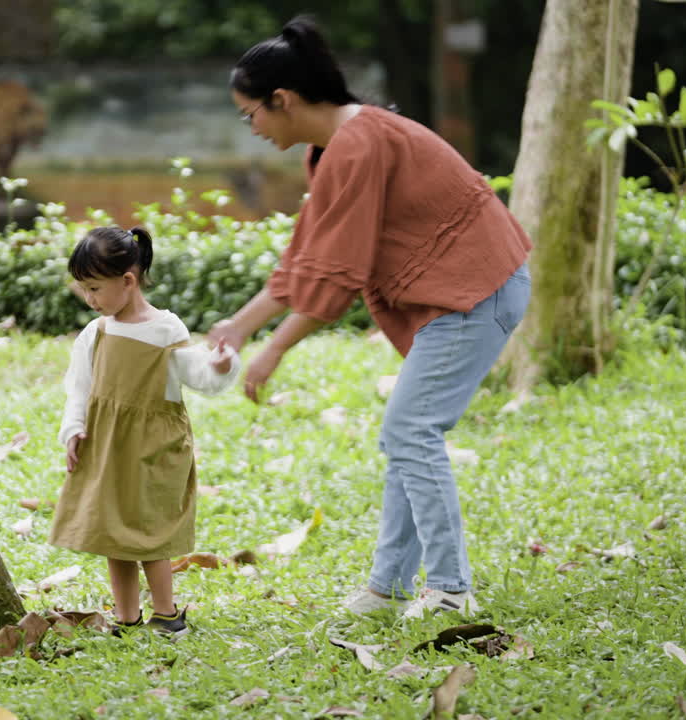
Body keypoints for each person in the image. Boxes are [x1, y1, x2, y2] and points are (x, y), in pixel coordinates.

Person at [209, 16, 532, 619]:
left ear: (282, 100)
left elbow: (338, 271)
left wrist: (274, 348)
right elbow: (309, 255)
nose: (250, 128)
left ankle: (451, 589)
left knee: (411, 432)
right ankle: (388, 588)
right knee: (406, 434)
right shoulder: (333, 146)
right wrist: (237, 326)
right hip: (465, 291)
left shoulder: (358, 143)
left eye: (249, 113)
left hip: (475, 291)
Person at [50, 225, 240, 636]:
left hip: (154, 446)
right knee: (113, 532)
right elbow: (78, 386)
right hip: (106, 448)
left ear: (128, 281)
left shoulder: (165, 329)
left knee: (151, 532)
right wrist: (74, 429)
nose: (89, 299)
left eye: (95, 288)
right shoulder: (96, 333)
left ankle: (167, 614)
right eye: (83, 289)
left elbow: (198, 374)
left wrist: (221, 365)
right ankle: (126, 616)